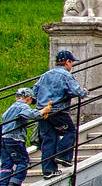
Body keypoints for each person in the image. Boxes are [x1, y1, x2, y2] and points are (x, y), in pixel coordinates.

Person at [33, 50, 88, 179]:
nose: (72, 66)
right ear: (67, 62)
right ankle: (62, 155)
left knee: (49, 139)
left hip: (42, 111)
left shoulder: (45, 75)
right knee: (71, 131)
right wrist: (84, 92)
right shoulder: (65, 75)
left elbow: (34, 91)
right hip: (58, 110)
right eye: (71, 63)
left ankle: (48, 170)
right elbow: (76, 91)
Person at [0, 88, 52, 186]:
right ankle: (15, 183)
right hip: (15, 139)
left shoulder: (10, 108)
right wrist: (43, 111)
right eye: (31, 101)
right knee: (23, 161)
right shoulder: (22, 106)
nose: (31, 103)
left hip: (4, 138)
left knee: (7, 163)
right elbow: (31, 115)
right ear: (28, 98)